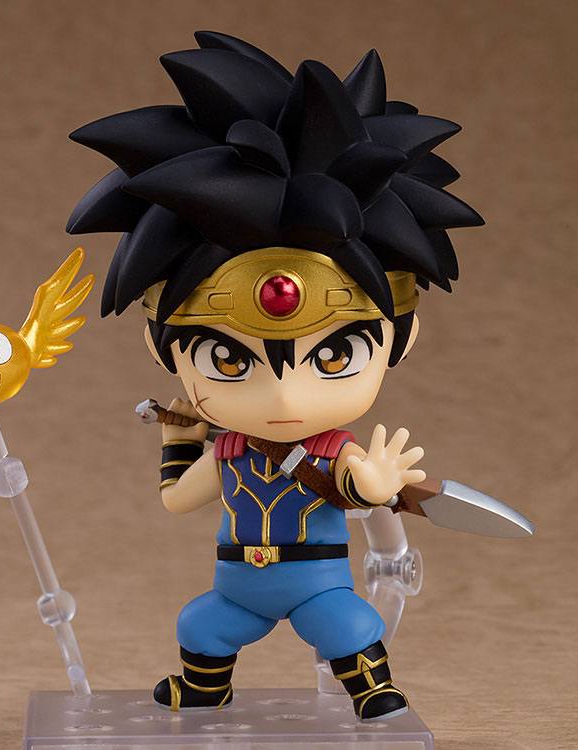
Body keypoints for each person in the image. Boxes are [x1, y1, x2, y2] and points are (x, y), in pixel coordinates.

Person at [66, 30, 482, 721]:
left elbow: (354, 486)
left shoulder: (329, 451)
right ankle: (206, 687)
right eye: (229, 360)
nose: (285, 396)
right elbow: (178, 500)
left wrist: (375, 487)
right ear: (162, 346)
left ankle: (372, 689)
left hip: (319, 585)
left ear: (401, 338)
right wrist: (179, 440)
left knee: (348, 626)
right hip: (238, 588)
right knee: (200, 625)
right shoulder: (229, 451)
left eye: (333, 357)